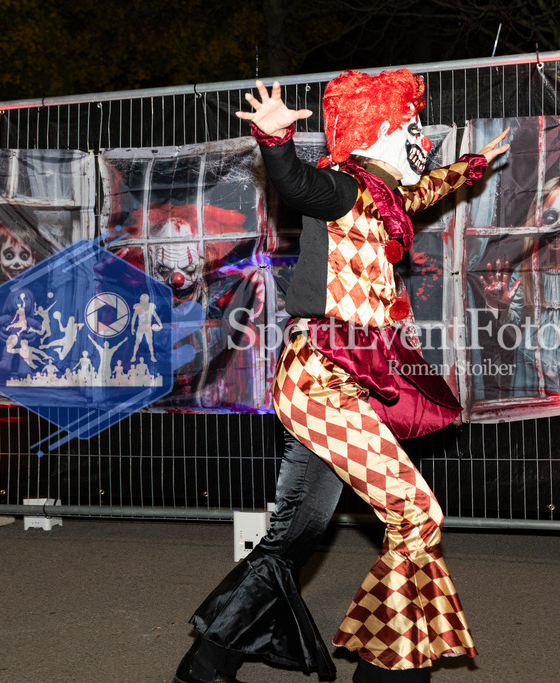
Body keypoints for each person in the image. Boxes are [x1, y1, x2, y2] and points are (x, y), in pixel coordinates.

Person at [174, 72, 509, 683]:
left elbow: (429, 187)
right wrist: (274, 143)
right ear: (377, 133)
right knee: (415, 511)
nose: (421, 139)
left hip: (340, 377)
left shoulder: (385, 197)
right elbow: (299, 183)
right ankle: (390, 671)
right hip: (322, 378)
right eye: (410, 126)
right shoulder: (344, 189)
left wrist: (475, 164)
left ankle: (207, 662)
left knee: (295, 535)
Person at [482, 176, 560, 395]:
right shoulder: (527, 270)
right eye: (550, 216)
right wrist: (502, 307)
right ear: (537, 219)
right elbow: (510, 327)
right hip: (531, 361)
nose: (559, 225)